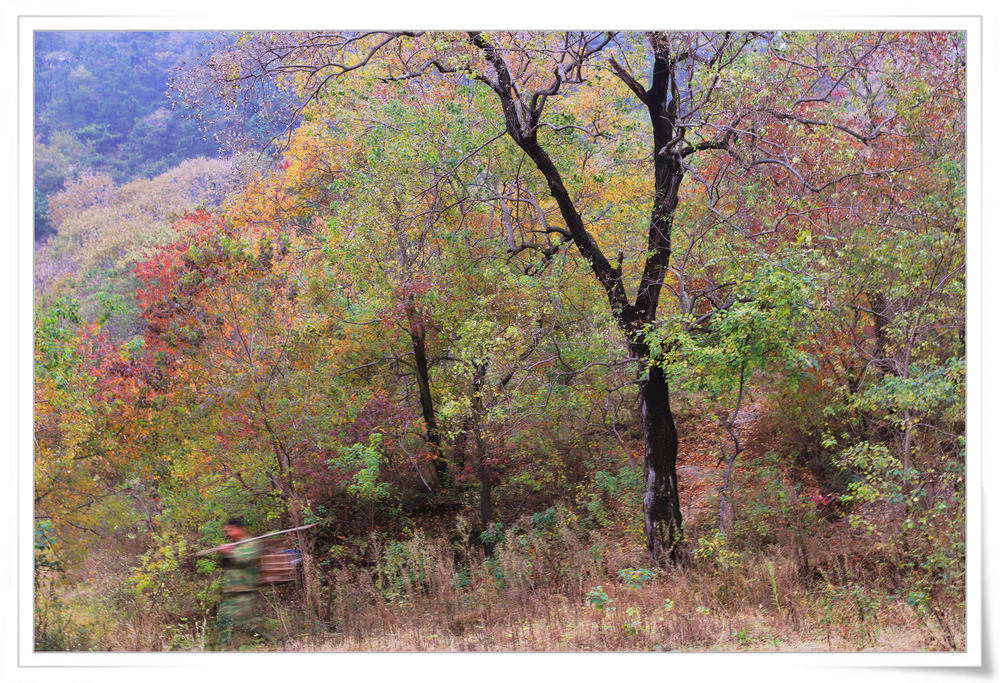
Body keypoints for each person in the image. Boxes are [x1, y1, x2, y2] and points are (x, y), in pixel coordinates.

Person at [215, 516, 261, 649]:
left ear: (239, 529)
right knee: (224, 620)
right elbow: (223, 564)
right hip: (231, 592)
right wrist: (223, 553)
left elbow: (243, 559)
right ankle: (226, 648)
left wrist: (228, 551)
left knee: (249, 624)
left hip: (245, 592)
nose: (227, 534)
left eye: (230, 530)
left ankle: (273, 641)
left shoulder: (251, 544)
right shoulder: (234, 546)